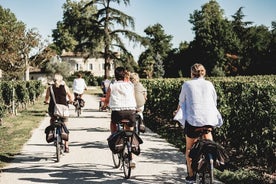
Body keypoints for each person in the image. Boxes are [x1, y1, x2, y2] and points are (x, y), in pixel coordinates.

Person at [174, 63, 223, 183]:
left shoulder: (187, 84)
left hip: (194, 122)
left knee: (189, 149)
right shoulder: (209, 84)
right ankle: (212, 158)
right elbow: (214, 101)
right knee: (209, 141)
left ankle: (191, 176)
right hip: (208, 120)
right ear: (203, 73)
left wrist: (177, 111)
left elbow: (181, 101)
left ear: (192, 73)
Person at [103, 67, 137, 167]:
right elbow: (133, 97)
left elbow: (107, 99)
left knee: (113, 123)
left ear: (115, 75)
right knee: (130, 132)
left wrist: (105, 105)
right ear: (124, 75)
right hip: (130, 111)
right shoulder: (130, 85)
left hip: (117, 112)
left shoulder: (112, 85)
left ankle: (115, 139)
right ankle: (131, 159)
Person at [44, 74, 74, 153]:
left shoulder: (49, 88)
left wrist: (46, 101)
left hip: (53, 110)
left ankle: (52, 132)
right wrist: (70, 101)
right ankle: (66, 146)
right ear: (61, 80)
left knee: (52, 120)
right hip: (64, 110)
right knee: (65, 126)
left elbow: (47, 98)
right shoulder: (65, 87)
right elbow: (71, 97)